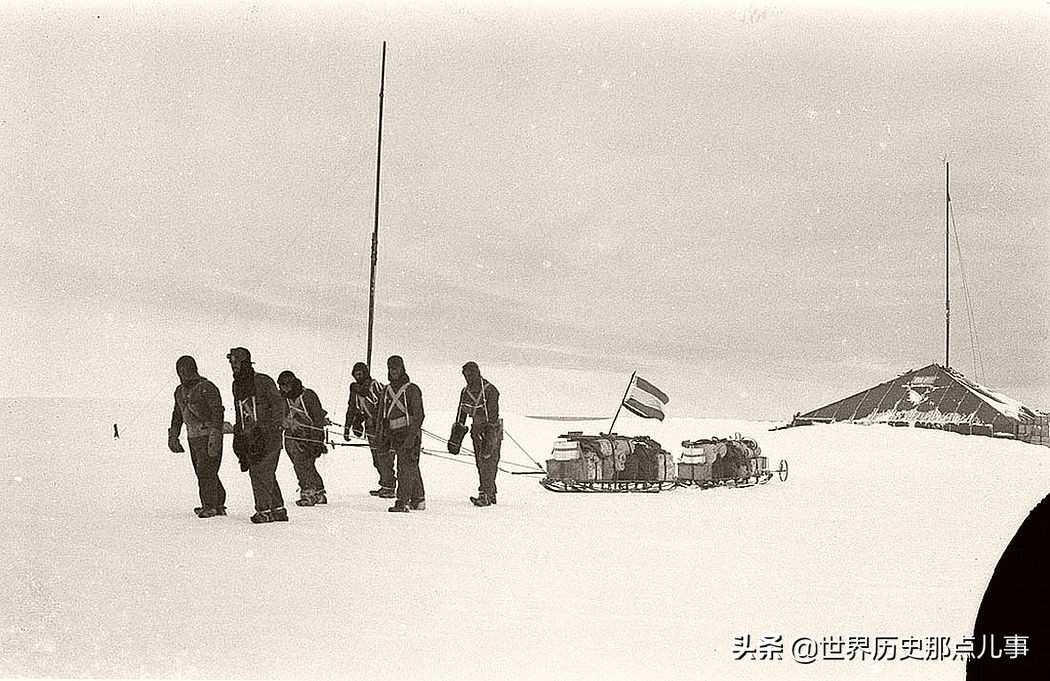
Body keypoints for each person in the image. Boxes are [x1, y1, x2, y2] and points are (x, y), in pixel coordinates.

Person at [228, 347, 288, 524]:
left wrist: (272, 427)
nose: (234, 367)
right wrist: (238, 435)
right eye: (231, 363)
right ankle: (278, 509)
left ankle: (263, 511)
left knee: (259, 471)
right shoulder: (236, 385)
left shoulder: (263, 381)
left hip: (270, 436)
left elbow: (278, 405)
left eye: (237, 363)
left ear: (246, 363)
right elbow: (240, 411)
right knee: (265, 472)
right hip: (250, 436)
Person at [167, 355, 226, 518]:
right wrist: (174, 434)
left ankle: (210, 506)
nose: (183, 373)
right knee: (204, 471)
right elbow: (177, 414)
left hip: (208, 435)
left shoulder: (207, 387)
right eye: (180, 370)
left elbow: (217, 411)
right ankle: (217, 503)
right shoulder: (179, 391)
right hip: (193, 436)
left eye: (185, 369)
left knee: (206, 471)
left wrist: (216, 433)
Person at [379, 355, 425, 512]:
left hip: (409, 433)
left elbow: (419, 415)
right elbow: (382, 414)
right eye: (390, 368)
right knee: (411, 466)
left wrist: (412, 437)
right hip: (393, 434)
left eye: (396, 368)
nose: (393, 371)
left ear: (402, 368)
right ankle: (418, 499)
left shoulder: (412, 389)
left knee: (404, 467)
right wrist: (383, 436)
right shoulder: (386, 390)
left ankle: (402, 501)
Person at [277, 370, 328, 507]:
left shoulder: (308, 396)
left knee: (302, 463)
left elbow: (318, 419)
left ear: (293, 384)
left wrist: (318, 441)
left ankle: (308, 492)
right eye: (281, 385)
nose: (283, 388)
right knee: (303, 463)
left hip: (310, 435)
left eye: (286, 385)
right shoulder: (281, 399)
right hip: (291, 436)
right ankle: (318, 491)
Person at [344, 362, 394, 497]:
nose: (358, 376)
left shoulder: (375, 386)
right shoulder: (354, 389)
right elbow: (352, 408)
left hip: (382, 426)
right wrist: (348, 426)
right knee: (376, 458)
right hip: (370, 427)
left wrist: (382, 424)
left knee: (384, 455)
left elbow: (384, 405)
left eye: (360, 373)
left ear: (365, 373)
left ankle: (389, 486)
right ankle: (385, 483)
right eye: (356, 374)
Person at [456, 361, 502, 507]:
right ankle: (490, 491)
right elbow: (461, 414)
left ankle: (485, 494)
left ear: (477, 373)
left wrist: (489, 436)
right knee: (480, 463)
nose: (468, 378)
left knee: (489, 462)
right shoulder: (465, 392)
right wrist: (456, 436)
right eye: (466, 375)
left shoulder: (490, 390)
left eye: (470, 374)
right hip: (476, 430)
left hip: (491, 430)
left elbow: (493, 416)